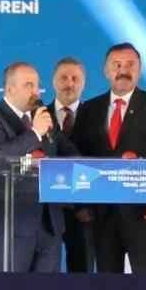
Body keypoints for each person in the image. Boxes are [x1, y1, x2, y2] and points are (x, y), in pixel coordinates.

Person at [71, 43, 146, 273]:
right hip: (100, 211)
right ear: (106, 70)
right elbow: (79, 156)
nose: (123, 70)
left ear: (140, 69)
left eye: (130, 64)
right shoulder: (89, 109)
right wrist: (81, 203)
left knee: (145, 278)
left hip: (143, 211)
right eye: (117, 65)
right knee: (107, 280)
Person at [0, 62, 78, 272]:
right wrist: (35, 133)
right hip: (10, 225)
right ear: (9, 88)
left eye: (37, 85)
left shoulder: (44, 117)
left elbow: (70, 152)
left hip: (49, 224)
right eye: (28, 85)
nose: (36, 92)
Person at [48, 57, 94, 272]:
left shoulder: (97, 116)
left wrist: (85, 206)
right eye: (64, 78)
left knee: (82, 272)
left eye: (75, 78)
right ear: (53, 81)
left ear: (83, 83)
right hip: (45, 211)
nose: (69, 83)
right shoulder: (36, 116)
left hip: (84, 213)